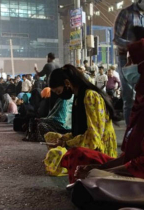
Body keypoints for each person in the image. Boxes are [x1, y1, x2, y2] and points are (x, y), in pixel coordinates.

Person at [69, 31, 144, 209]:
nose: (126, 67)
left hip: (139, 176)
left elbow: (140, 164)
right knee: (81, 165)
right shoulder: (139, 101)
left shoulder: (90, 96)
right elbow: (128, 157)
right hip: (133, 172)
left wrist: (102, 172)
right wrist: (98, 170)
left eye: (130, 62)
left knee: (86, 189)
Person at [43, 65, 118, 181]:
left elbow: (93, 139)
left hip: (100, 150)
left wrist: (66, 145)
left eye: (58, 91)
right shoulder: (78, 97)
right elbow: (79, 131)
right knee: (51, 137)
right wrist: (63, 140)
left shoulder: (90, 96)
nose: (59, 95)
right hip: (89, 144)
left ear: (67, 83)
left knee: (58, 154)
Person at [113, 0, 144, 125]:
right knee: (129, 97)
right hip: (126, 59)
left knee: (141, 97)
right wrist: (134, 46)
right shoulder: (126, 13)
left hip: (141, 60)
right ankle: (130, 131)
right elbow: (116, 39)